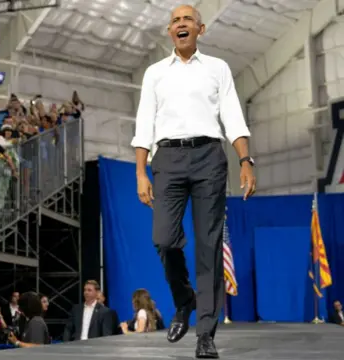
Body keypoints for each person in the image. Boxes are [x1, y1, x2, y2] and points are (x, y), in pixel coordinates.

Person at [131, 5, 256, 359]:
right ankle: (183, 297)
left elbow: (232, 114)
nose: (180, 24)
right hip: (167, 159)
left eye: (187, 20)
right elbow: (144, 124)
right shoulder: (155, 73)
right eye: (175, 21)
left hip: (209, 158)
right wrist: (141, 172)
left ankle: (206, 332)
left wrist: (245, 160)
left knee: (208, 246)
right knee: (164, 239)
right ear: (170, 32)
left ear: (200, 29)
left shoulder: (218, 68)